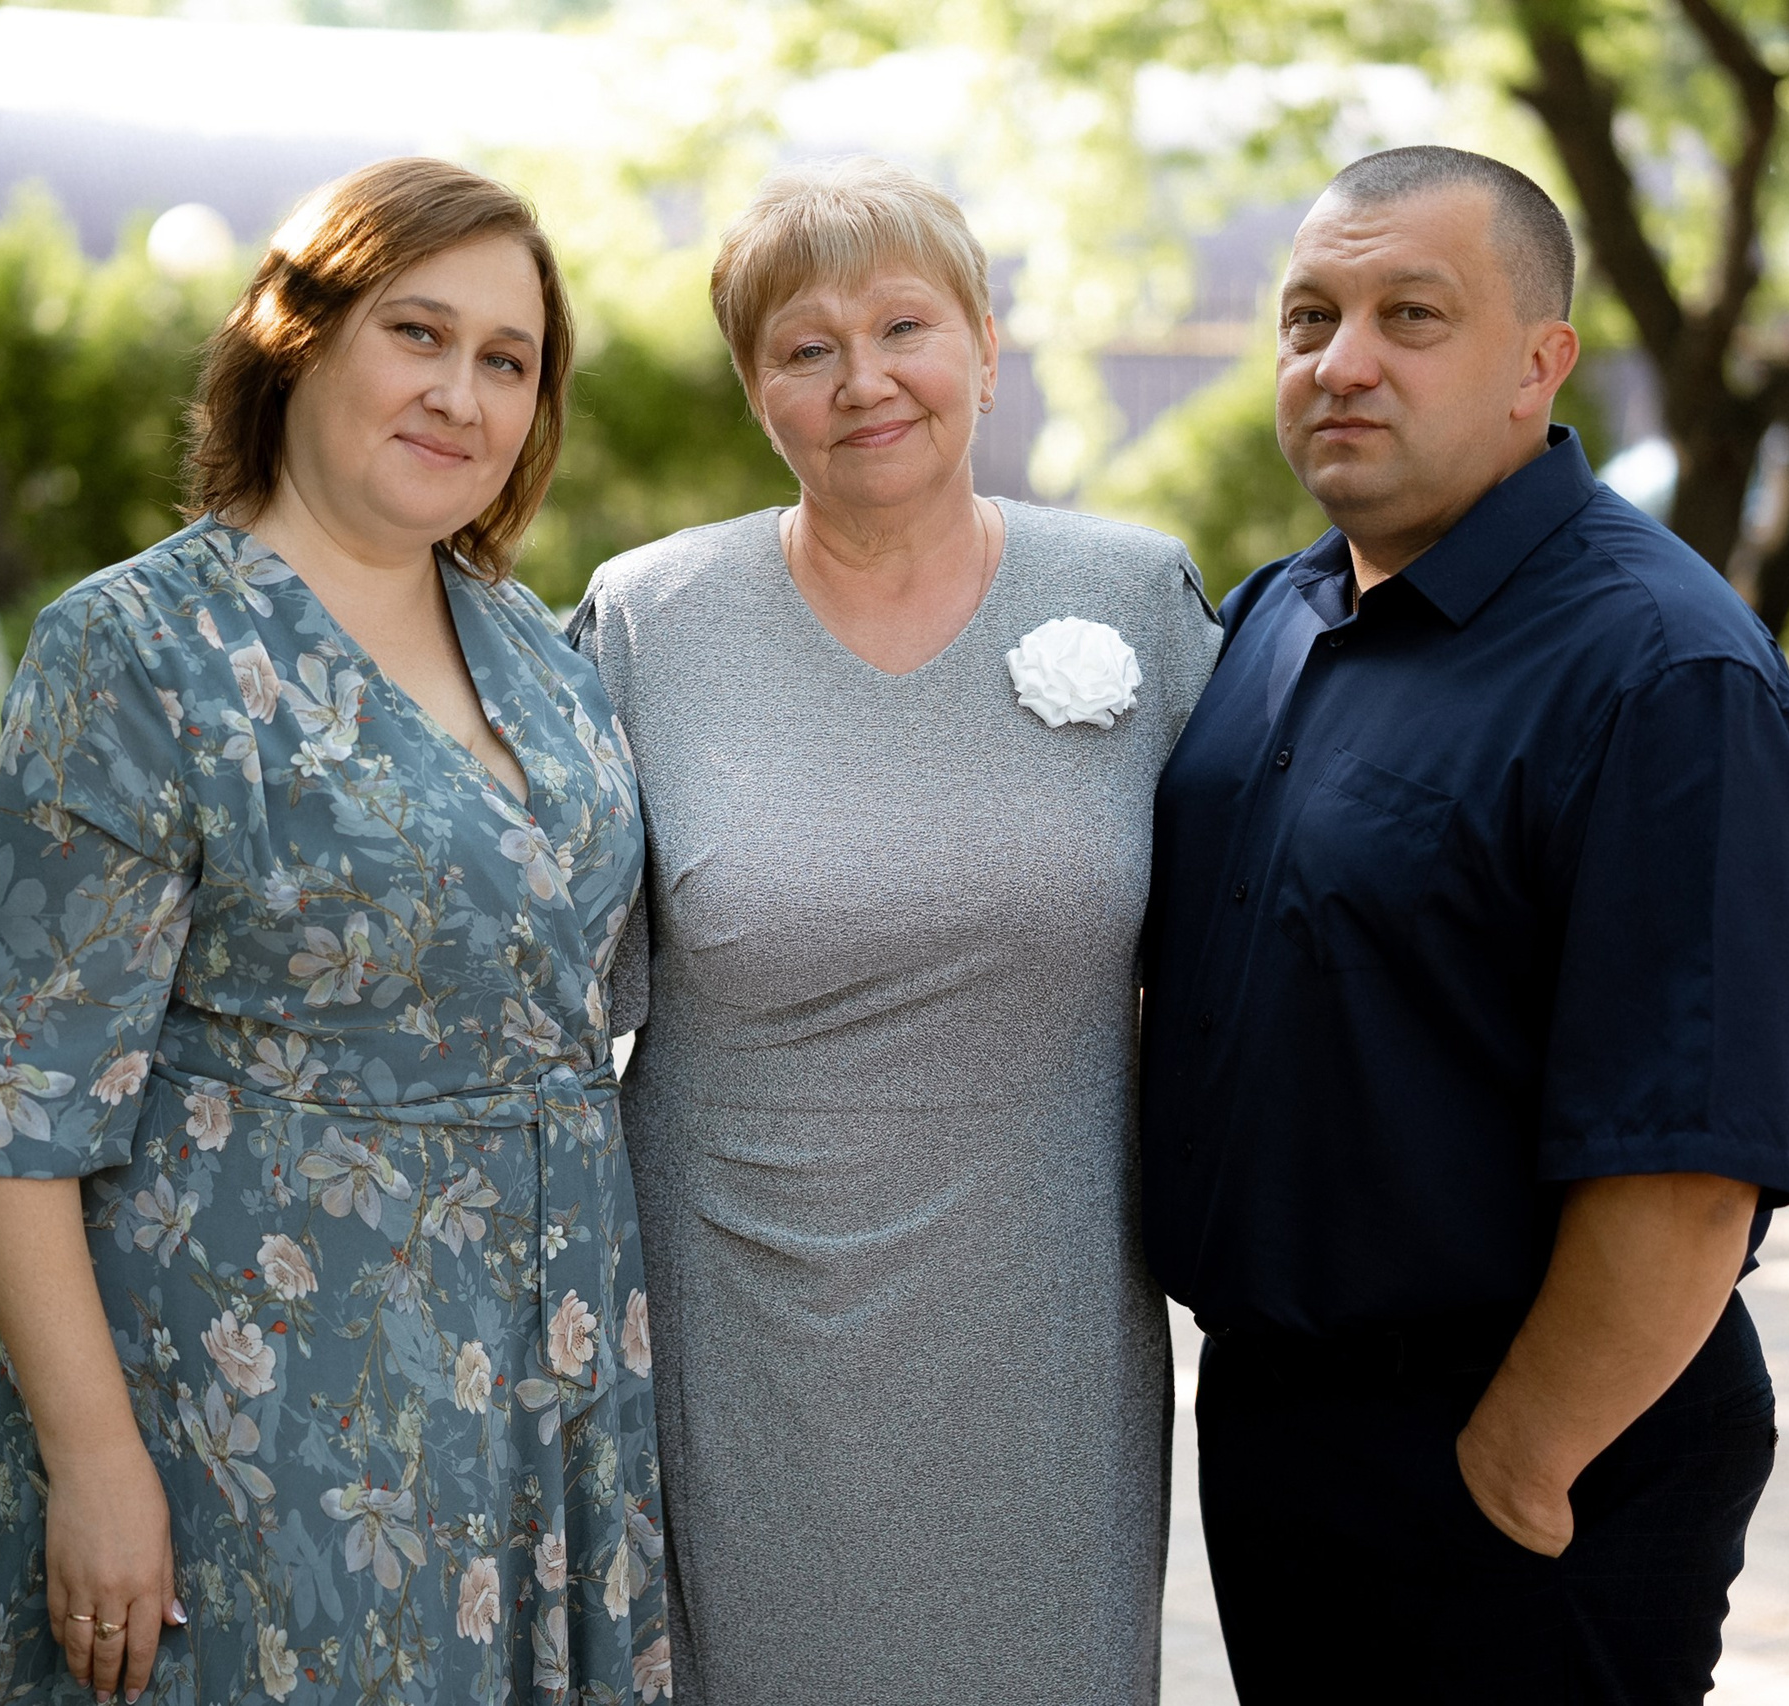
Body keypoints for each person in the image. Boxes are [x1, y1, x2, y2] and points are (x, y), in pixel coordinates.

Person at [0, 158, 669, 1706]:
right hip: (245, 1394)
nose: (462, 391)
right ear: (294, 339)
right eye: (416, 333)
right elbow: (13, 1107)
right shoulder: (139, 650)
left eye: (509, 360)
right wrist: (94, 1460)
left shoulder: (537, 646)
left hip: (531, 1378)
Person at [1141, 145, 1789, 1703]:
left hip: (1519, 1455)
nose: (1345, 360)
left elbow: (1687, 1171)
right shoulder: (1275, 619)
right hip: (1282, 1426)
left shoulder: (1663, 670)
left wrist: (1514, 1464)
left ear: (1541, 362)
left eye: (1412, 315)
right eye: (1309, 317)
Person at [569, 156, 1221, 1704]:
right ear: (757, 391)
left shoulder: (1133, 599)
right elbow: (552, 981)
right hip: (736, 1314)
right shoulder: (649, 619)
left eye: (905, 327)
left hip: (1045, 1314)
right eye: (805, 346)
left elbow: (1245, 947)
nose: (865, 380)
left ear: (987, 347)